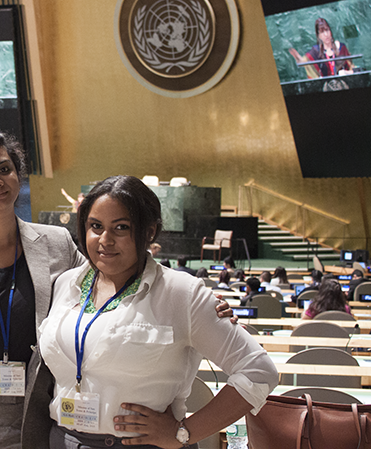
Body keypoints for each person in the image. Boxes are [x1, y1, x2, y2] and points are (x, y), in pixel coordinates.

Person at [0, 127, 235, 449]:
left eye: (4, 168)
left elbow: (113, 280)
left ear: (18, 174)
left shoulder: (56, 244)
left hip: (34, 412)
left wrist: (199, 302)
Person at [35, 175, 278, 448]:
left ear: (149, 232)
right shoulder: (66, 284)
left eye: (121, 227)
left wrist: (184, 432)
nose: (105, 239)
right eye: (95, 226)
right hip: (64, 439)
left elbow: (259, 370)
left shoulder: (181, 293)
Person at [289, 18, 354, 79]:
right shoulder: (315, 52)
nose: (326, 34)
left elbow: (352, 69)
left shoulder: (342, 47)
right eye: (322, 32)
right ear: (318, 35)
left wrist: (346, 72)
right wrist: (299, 59)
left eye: (327, 30)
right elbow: (305, 61)